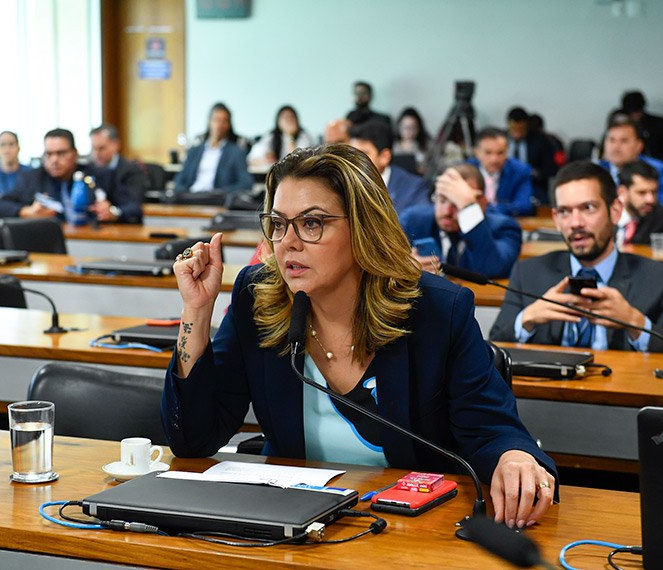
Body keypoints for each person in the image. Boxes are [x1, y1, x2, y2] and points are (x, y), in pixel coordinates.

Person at [163, 144, 558, 530]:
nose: (289, 243)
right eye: (279, 224)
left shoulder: (438, 311)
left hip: (414, 530)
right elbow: (194, 439)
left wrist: (513, 458)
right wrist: (197, 310)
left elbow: (493, 428)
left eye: (312, 223)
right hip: (294, 524)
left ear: (363, 227)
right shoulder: (258, 296)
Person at [489, 161, 663, 355]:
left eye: (588, 208)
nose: (576, 222)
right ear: (556, 220)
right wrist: (527, 320)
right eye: (564, 211)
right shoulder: (528, 273)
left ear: (615, 211)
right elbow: (493, 350)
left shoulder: (661, 279)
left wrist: (635, 322)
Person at [400, 163, 521, 279]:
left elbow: (493, 269)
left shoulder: (504, 228)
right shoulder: (413, 221)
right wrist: (406, 268)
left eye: (457, 203)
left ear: (482, 204)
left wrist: (468, 209)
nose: (447, 211)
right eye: (442, 200)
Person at [0, 128, 118, 222]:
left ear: (75, 154)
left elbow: (131, 207)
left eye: (61, 153)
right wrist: (27, 212)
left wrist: (113, 212)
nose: (54, 160)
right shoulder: (32, 178)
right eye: (49, 154)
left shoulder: (98, 175)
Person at [598, 114, 663, 216]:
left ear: (639, 146)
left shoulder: (658, 169)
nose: (616, 147)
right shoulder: (596, 170)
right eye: (611, 140)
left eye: (624, 141)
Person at [349, 120, 431, 216]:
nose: (353, 161)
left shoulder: (413, 189)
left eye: (362, 154)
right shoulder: (343, 184)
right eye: (351, 154)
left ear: (384, 157)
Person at [173, 103, 253, 194]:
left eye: (224, 121)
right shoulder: (194, 151)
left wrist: (220, 193)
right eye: (216, 120)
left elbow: (245, 184)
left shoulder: (236, 152)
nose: (219, 125)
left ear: (229, 125)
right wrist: (183, 193)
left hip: (216, 199)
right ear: (209, 122)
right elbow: (180, 180)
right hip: (191, 196)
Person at [467, 127, 534, 216]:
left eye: (500, 153)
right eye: (488, 152)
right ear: (477, 152)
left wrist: (484, 209)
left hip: (504, 224)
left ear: (507, 152)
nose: (494, 159)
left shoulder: (520, 171)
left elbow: (523, 206)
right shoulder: (463, 171)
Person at [88, 124, 146, 223]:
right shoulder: (88, 170)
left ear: (116, 145)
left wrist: (114, 212)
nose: (97, 153)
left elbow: (135, 206)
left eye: (101, 148)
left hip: (126, 226)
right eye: (94, 148)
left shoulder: (132, 170)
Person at [506, 107, 557, 206]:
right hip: (506, 184)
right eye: (513, 129)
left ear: (526, 126)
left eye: (520, 129)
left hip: (532, 184)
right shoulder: (501, 140)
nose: (517, 133)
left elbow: (551, 169)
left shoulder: (540, 141)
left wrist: (534, 172)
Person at [615, 159, 663, 246]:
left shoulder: (661, 217)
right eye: (642, 193)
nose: (650, 199)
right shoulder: (605, 214)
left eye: (654, 192)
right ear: (622, 192)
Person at [616, 90, 663, 164]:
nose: (635, 115)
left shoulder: (659, 123)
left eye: (637, 111)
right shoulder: (619, 127)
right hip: (626, 167)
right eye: (631, 112)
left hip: (657, 166)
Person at [248, 105, 314, 167]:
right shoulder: (272, 136)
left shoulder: (304, 136)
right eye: (285, 117)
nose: (288, 120)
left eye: (291, 117)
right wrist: (269, 162)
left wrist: (289, 136)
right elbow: (252, 159)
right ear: (278, 121)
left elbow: (299, 161)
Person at [0, 131, 32, 197]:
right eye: (3, 145)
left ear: (18, 148)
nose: (7, 150)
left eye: (11, 144)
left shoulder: (30, 174)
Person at [392, 107, 430, 175]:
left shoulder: (426, 145)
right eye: (406, 128)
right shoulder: (393, 146)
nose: (410, 132)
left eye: (413, 127)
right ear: (399, 127)